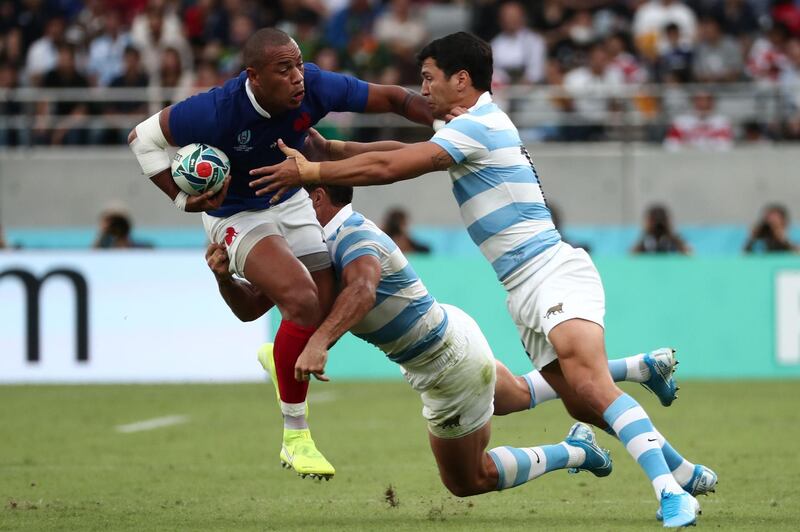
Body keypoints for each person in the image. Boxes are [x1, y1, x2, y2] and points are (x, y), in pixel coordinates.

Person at [249, 32, 712, 527]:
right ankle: (676, 456)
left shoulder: (480, 125)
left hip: (552, 271)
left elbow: (393, 165)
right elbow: (399, 150)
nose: (421, 91)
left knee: (590, 387)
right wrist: (335, 147)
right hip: (523, 289)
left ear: (461, 80)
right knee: (582, 402)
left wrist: (314, 170)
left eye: (428, 78)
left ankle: (671, 494)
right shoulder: (467, 128)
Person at [206, 184, 707, 499]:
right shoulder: (310, 252)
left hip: (445, 365)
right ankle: (639, 367)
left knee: (469, 481)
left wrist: (318, 343)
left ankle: (576, 452)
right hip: (453, 334)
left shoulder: (352, 234)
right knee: (519, 395)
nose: (279, 206)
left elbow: (362, 288)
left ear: (316, 198)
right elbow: (253, 307)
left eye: (288, 195)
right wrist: (225, 277)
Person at [127, 27, 434, 481]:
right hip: (235, 215)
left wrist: (451, 123)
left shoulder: (315, 86)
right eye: (284, 69)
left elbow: (393, 98)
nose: (298, 78)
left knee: (320, 303)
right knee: (304, 302)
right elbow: (141, 138)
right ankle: (297, 437)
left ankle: (281, 357)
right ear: (254, 77)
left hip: (289, 195)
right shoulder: (212, 111)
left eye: (298, 64)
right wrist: (181, 198)